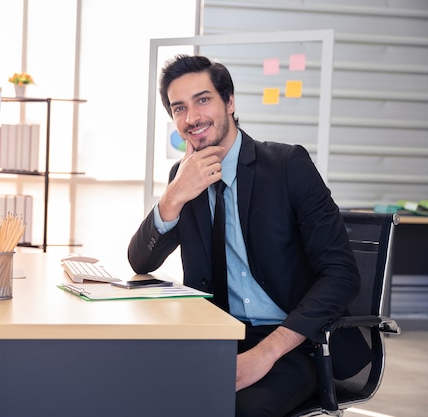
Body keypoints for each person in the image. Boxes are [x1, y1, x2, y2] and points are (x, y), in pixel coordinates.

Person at [127, 54, 362, 417]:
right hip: (220, 337)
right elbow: (141, 261)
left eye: (203, 100)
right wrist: (174, 194)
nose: (192, 118)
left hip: (294, 343)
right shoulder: (186, 174)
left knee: (235, 409)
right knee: (132, 387)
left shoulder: (287, 166)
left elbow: (342, 274)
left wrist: (264, 354)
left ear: (230, 102)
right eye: (179, 108)